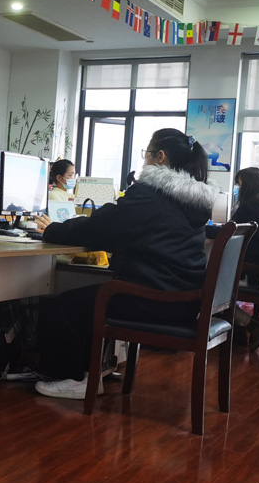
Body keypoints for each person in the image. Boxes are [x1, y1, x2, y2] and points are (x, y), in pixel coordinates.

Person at [29, 129, 218, 399]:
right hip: (183, 300)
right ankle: (94, 373)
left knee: (67, 304)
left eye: (146, 153)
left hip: (154, 299)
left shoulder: (152, 194)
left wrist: (53, 230)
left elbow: (102, 227)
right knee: (92, 294)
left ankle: (77, 379)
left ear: (160, 156)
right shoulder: (191, 201)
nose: (144, 160)